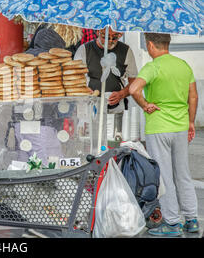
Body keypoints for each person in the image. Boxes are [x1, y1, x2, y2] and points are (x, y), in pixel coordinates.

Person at [129, 32, 199, 237]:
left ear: (150, 45)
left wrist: (145, 104)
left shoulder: (153, 66)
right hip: (180, 127)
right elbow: (193, 96)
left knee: (165, 177)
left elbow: (134, 89)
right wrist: (191, 122)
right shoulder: (183, 65)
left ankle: (172, 223)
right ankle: (192, 219)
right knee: (183, 174)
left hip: (159, 127)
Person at [74, 27, 137, 134]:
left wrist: (121, 94)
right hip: (90, 109)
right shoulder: (84, 50)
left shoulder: (126, 51)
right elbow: (75, 79)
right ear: (98, 32)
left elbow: (134, 81)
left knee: (114, 142)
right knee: (91, 142)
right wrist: (85, 90)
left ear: (120, 34)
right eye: (105, 37)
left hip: (116, 110)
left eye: (115, 37)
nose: (110, 41)